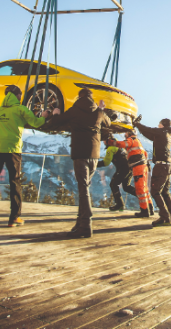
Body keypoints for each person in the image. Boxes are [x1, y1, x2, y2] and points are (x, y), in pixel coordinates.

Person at [0, 85, 49, 231]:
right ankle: (14, 218)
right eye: (21, 94)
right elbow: (36, 123)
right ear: (18, 95)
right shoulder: (20, 109)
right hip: (12, 149)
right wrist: (44, 116)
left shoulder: (0, 110)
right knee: (15, 182)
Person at [49, 88, 112, 238]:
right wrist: (101, 109)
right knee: (85, 187)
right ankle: (80, 222)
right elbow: (108, 122)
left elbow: (56, 122)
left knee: (83, 189)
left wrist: (55, 114)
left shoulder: (75, 110)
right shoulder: (98, 112)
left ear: (79, 97)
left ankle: (86, 224)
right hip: (95, 155)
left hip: (80, 154)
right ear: (91, 98)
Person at [134, 116, 171, 227]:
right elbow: (148, 134)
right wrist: (138, 126)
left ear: (163, 124)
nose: (158, 125)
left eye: (159, 124)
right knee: (165, 192)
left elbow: (150, 130)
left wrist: (137, 124)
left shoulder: (162, 132)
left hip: (161, 166)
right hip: (168, 165)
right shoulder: (167, 134)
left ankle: (164, 217)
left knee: (155, 191)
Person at [113, 130, 153, 217]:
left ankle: (144, 211)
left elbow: (122, 144)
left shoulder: (131, 139)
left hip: (138, 167)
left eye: (126, 133)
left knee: (140, 189)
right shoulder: (138, 142)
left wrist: (112, 142)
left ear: (130, 134)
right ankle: (150, 208)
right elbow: (145, 154)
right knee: (144, 188)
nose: (124, 134)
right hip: (144, 166)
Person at [99, 133, 136, 211]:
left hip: (122, 169)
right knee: (126, 187)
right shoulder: (119, 145)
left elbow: (106, 162)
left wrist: (95, 164)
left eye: (104, 140)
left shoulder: (110, 148)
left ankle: (119, 205)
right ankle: (144, 198)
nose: (103, 142)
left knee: (113, 184)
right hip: (129, 168)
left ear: (108, 140)